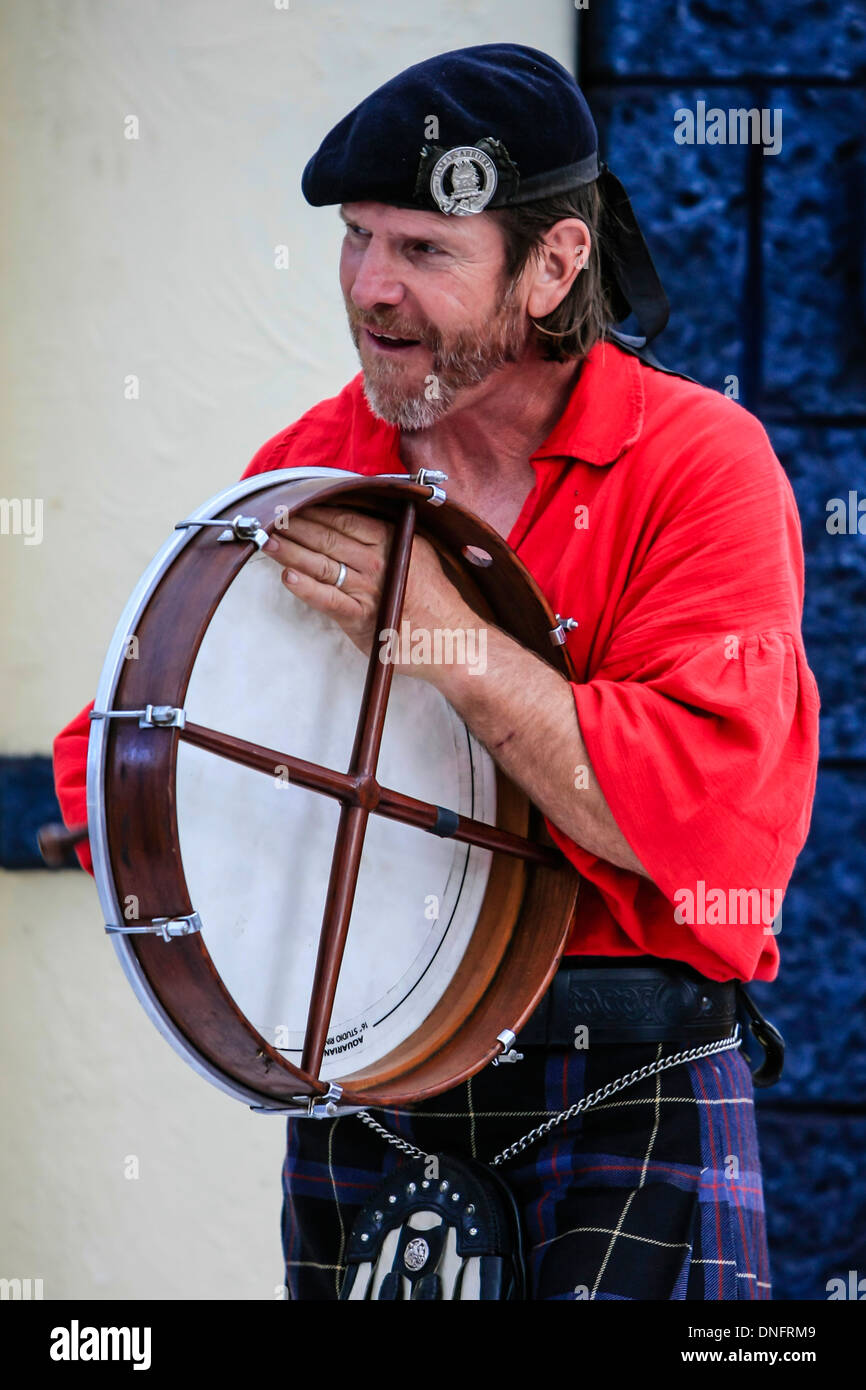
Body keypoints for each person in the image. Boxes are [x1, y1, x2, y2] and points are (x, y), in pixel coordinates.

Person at [53, 43, 820, 1301]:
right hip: (374, 1094)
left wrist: (445, 641)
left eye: (424, 252)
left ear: (554, 263)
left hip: (623, 1079)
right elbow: (126, 751)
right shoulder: (315, 464)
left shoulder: (698, 464)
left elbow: (712, 816)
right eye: (358, 239)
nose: (371, 289)